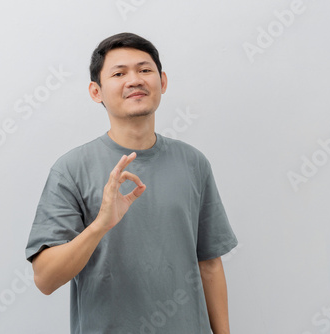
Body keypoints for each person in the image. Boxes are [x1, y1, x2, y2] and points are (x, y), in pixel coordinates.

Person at [25, 32, 238, 334]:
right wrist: (100, 224)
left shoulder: (193, 162)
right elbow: (45, 280)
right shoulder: (70, 170)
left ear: (162, 82)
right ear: (96, 91)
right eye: (119, 73)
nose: (134, 80)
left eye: (144, 70)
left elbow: (210, 264)